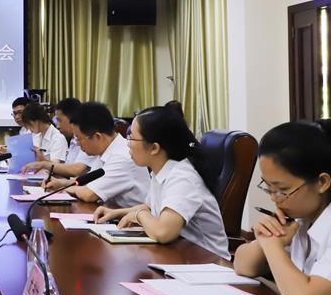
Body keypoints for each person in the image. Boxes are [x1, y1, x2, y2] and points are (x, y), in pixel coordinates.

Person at [234, 120, 331, 295]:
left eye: (282, 190)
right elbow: (243, 265)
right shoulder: (303, 217)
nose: (274, 199)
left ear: (322, 182)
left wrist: (272, 246)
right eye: (268, 187)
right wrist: (265, 240)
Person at [93, 107, 229, 259]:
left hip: (208, 263)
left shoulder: (183, 177)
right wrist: (117, 213)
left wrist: (139, 215)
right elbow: (151, 207)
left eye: (132, 137)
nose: (127, 143)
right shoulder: (162, 169)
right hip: (181, 255)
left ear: (154, 148)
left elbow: (163, 232)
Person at [44, 102, 149, 207]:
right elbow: (88, 184)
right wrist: (59, 184)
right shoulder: (106, 151)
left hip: (131, 216)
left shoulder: (123, 156)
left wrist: (63, 189)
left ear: (97, 136)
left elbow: (89, 194)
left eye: (79, 138)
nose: (77, 144)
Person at [23, 97, 95, 177]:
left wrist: (43, 164)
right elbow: (67, 171)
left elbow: (76, 170)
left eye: (59, 120)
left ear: (73, 119)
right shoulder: (73, 140)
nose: (57, 125)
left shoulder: (89, 138)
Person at [17, 102, 68, 171]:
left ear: (36, 121)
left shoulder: (57, 138)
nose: (29, 130)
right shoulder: (37, 135)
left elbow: (55, 167)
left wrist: (42, 159)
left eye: (29, 125)